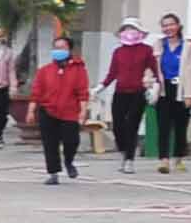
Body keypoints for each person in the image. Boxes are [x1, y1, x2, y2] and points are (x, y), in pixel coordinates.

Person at [32, 39, 92, 183]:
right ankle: (53, 173)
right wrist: (31, 109)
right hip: (48, 110)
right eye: (56, 47)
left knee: (72, 141)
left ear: (69, 50)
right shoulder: (45, 70)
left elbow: (82, 92)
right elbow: (36, 91)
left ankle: (69, 161)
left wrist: (83, 111)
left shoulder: (79, 70)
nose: (58, 50)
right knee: (50, 143)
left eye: (62, 47)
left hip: (70, 112)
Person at [106, 22, 157, 172]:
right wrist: (100, 87)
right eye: (126, 29)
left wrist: (154, 87)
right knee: (117, 126)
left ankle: (129, 159)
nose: (130, 32)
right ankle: (123, 152)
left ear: (140, 32)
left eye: (133, 29)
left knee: (131, 125)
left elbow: (153, 70)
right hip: (120, 92)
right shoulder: (118, 52)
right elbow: (112, 73)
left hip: (138, 93)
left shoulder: (147, 50)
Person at [155, 13, 191, 173]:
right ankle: (164, 160)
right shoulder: (158, 44)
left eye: (171, 24)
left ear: (178, 25)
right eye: (165, 25)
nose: (168, 28)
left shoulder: (188, 46)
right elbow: (153, 67)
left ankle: (178, 158)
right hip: (164, 90)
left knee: (180, 126)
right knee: (163, 125)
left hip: (182, 89)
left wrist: (190, 94)